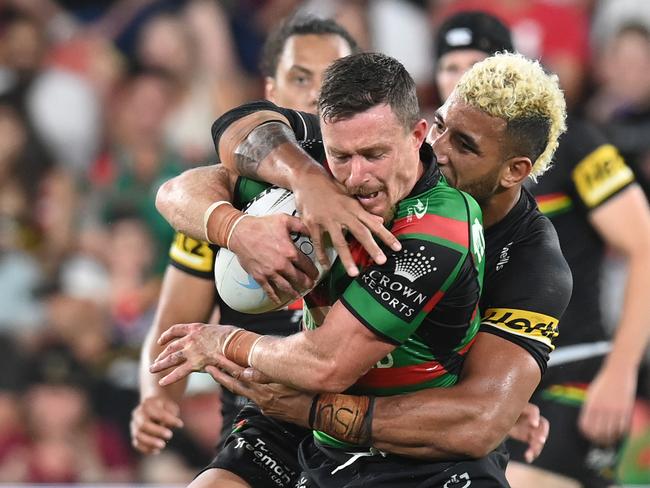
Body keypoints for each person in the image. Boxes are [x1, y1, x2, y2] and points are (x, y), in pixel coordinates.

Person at [152, 51, 571, 487]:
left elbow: (478, 420)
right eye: (442, 126)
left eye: (465, 146)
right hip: (301, 396)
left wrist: (314, 406)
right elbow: (236, 128)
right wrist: (288, 194)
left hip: (400, 429)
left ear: (514, 170)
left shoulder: (531, 262)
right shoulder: (361, 155)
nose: (439, 151)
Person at [129, 14, 362, 463]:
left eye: (333, 79)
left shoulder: (380, 182)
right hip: (258, 421)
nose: (316, 93)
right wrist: (156, 397)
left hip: (359, 417)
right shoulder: (229, 194)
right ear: (272, 93)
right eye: (300, 77)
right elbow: (172, 324)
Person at [432, 11, 650, 488]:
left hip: (571, 370)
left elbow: (645, 243)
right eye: (451, 68)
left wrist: (620, 370)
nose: (465, 81)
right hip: (485, 381)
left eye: (479, 67)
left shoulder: (574, 145)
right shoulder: (433, 159)